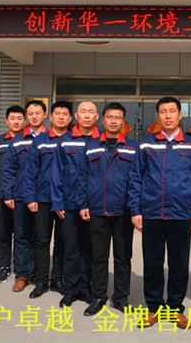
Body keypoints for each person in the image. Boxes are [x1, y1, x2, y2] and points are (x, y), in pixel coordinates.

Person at [127, 97, 191, 329]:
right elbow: (135, 179)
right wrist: (135, 210)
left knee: (179, 264)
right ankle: (153, 308)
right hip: (151, 213)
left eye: (172, 111)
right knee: (152, 264)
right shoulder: (146, 144)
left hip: (181, 214)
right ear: (157, 116)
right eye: (163, 111)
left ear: (180, 115)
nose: (168, 115)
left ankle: (175, 308)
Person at [78, 103, 137, 316]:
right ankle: (99, 297)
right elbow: (82, 177)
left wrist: (136, 209)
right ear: (102, 120)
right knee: (98, 257)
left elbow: (137, 180)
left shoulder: (132, 147)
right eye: (110, 117)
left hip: (123, 211)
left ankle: (121, 298)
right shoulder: (91, 146)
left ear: (123, 122)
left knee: (123, 257)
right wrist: (83, 204)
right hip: (97, 210)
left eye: (118, 117)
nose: (113, 121)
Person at [53, 101, 100, 308]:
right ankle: (71, 289)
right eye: (83, 112)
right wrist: (57, 201)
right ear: (77, 116)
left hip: (94, 204)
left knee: (90, 248)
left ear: (97, 116)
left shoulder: (102, 139)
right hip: (70, 203)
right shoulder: (65, 140)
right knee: (71, 247)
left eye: (91, 112)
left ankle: (86, 287)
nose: (87, 115)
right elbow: (57, 172)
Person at [24, 101, 73, 299]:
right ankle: (42, 280)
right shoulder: (40, 141)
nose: (61, 117)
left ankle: (58, 278)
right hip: (43, 198)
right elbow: (30, 172)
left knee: (62, 241)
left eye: (65, 114)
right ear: (50, 117)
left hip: (66, 200)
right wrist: (30, 197)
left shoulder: (74, 140)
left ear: (70, 118)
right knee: (42, 240)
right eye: (57, 114)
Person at [1, 99, 48, 293]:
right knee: (21, 236)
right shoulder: (18, 140)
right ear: (26, 117)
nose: (34, 117)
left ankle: (39, 274)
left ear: (45, 115)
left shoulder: (53, 139)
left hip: (44, 197)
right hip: (20, 195)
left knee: (41, 238)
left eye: (38, 113)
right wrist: (8, 194)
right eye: (31, 114)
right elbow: (8, 170)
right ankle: (22, 275)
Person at [0, 105, 25, 284]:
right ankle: (5, 267)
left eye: (19, 118)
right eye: (12, 118)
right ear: (6, 121)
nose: (16, 121)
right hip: (1, 195)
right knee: (3, 233)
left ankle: (22, 269)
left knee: (22, 235)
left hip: (22, 196)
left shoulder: (29, 141)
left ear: (24, 121)